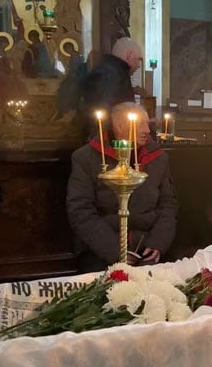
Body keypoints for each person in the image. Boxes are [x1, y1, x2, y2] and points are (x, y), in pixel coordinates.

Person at [66, 102, 178, 272]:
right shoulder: (86, 158)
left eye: (148, 123)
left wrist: (158, 243)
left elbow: (168, 204)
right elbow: (80, 211)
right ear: (119, 125)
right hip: (102, 249)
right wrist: (115, 251)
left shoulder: (158, 158)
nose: (147, 130)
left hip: (147, 246)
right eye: (140, 123)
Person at [83, 37, 142, 117]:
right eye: (138, 59)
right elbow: (106, 112)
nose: (139, 65)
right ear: (129, 55)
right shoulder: (112, 74)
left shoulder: (113, 71)